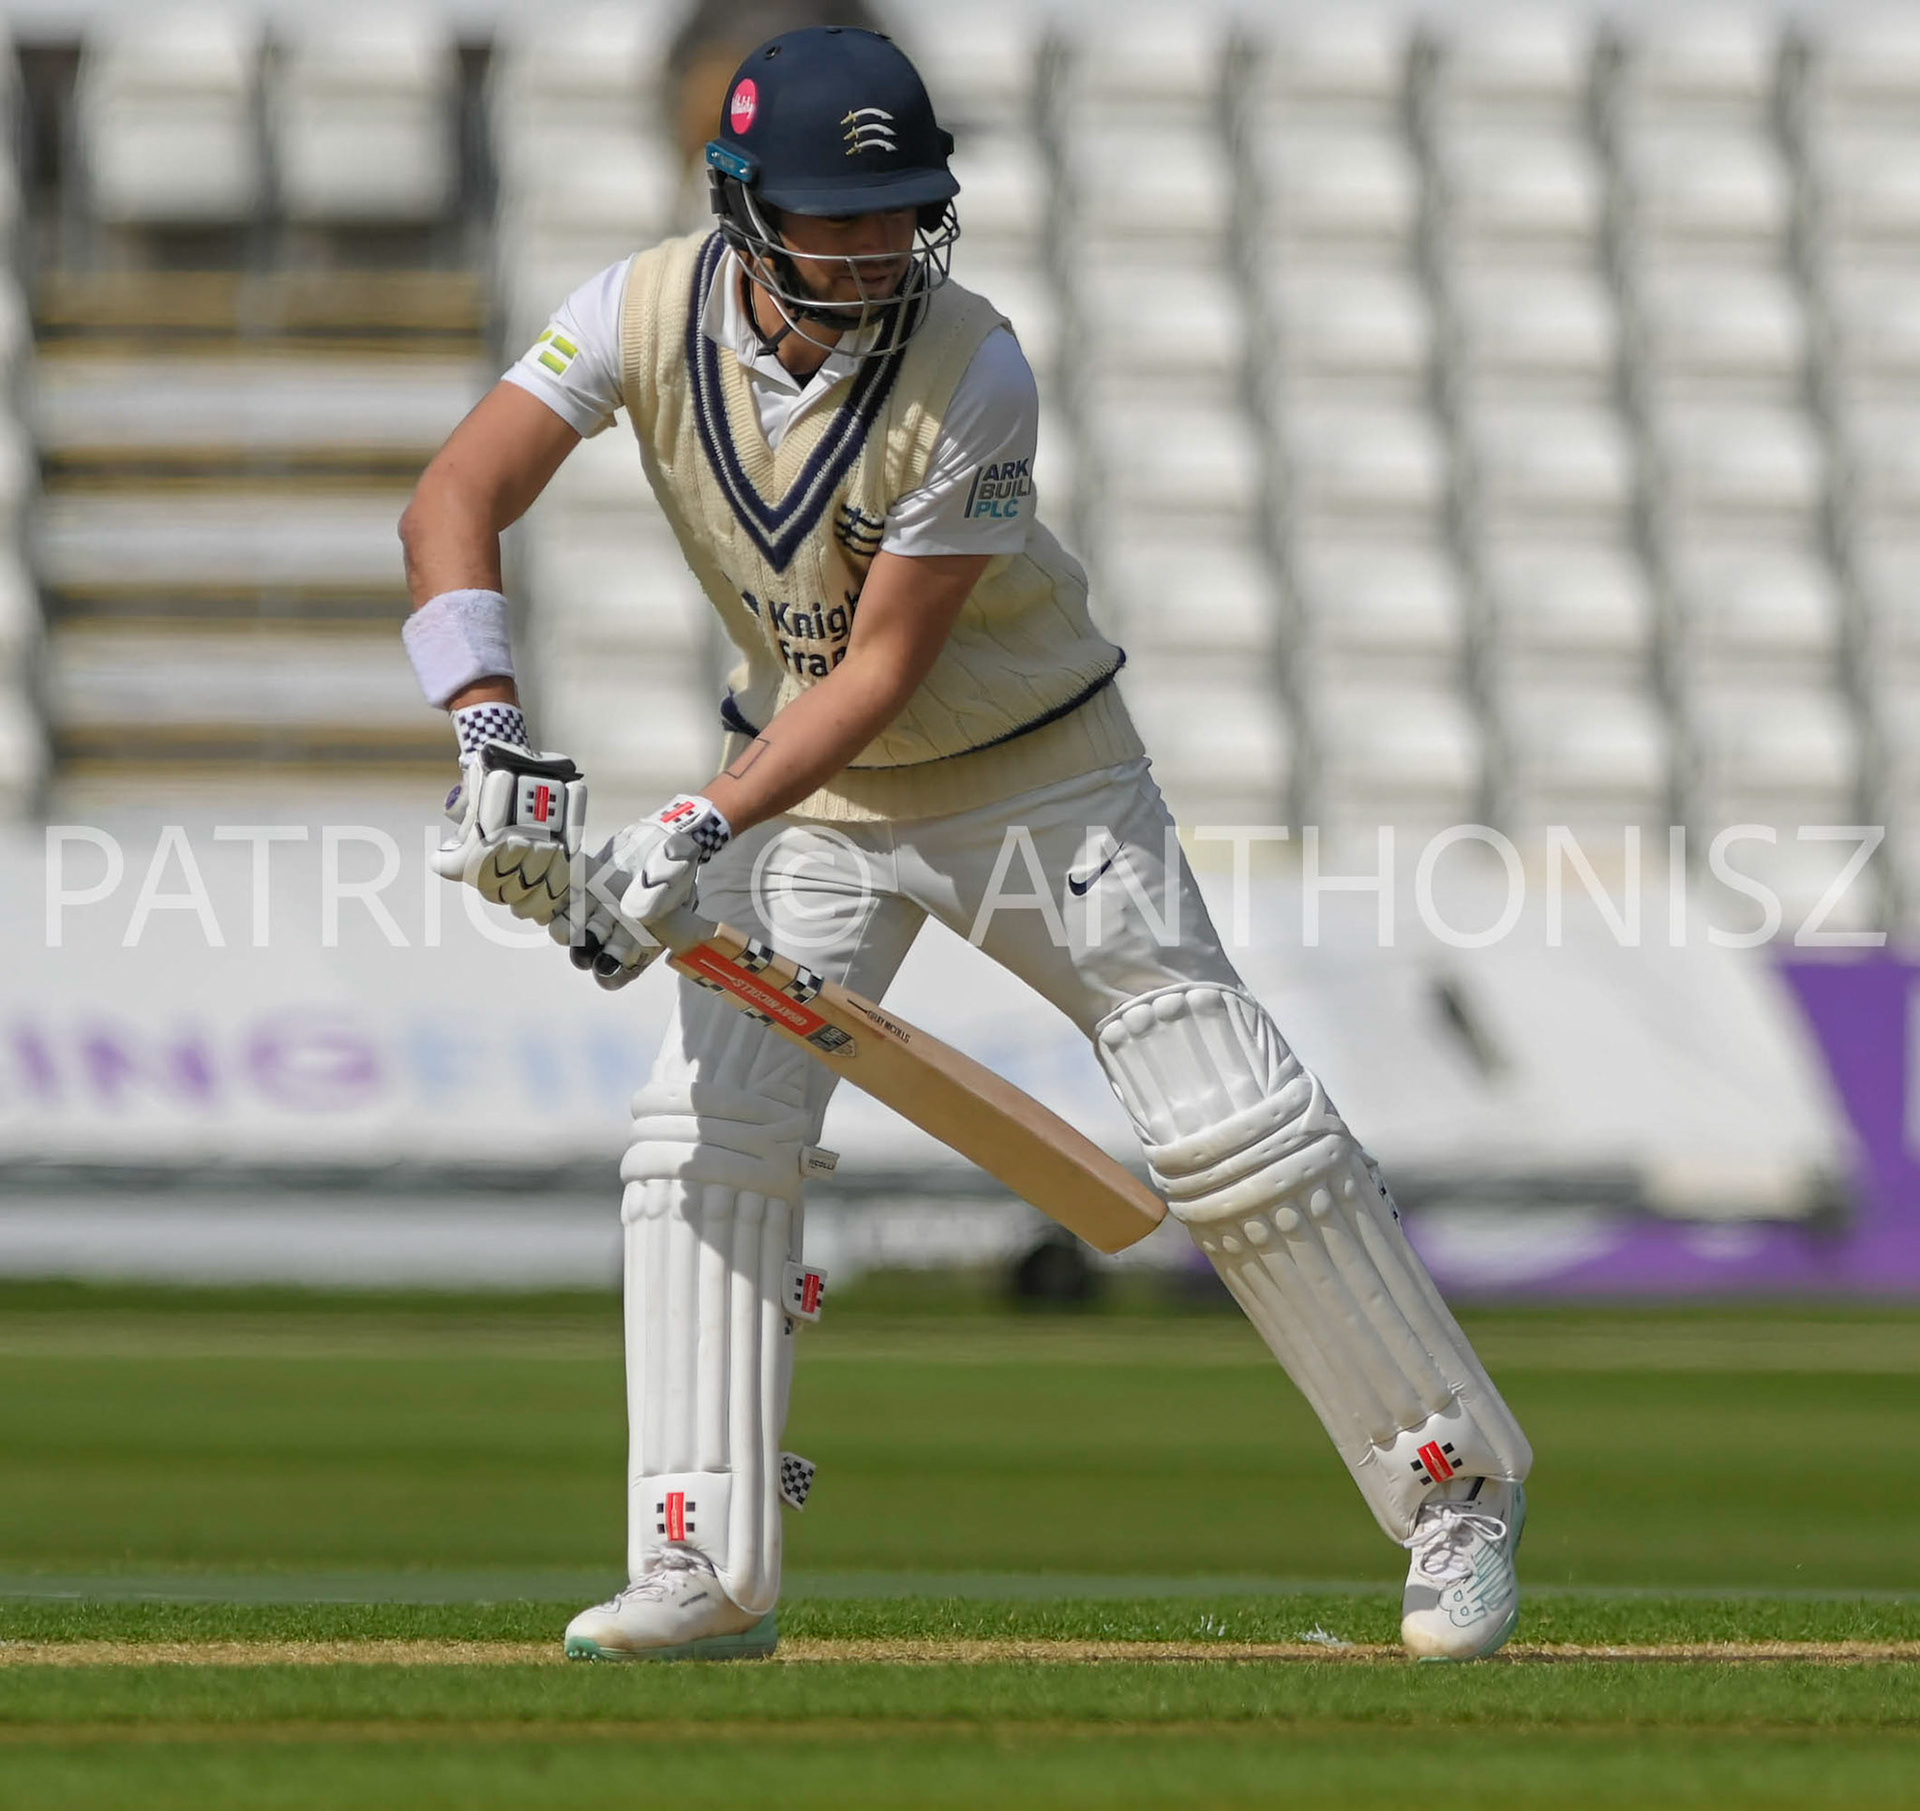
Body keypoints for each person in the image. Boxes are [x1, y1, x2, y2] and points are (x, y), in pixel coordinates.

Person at [398, 25, 1532, 1664]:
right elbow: (455, 493)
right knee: (707, 1134)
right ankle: (702, 1561)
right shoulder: (633, 311)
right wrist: (490, 731)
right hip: (813, 801)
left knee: (1228, 1124)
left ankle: (1456, 1498)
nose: (874, 246)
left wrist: (698, 822)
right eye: (834, 215)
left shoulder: (976, 369)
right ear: (743, 205)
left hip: (1035, 781)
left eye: (897, 210)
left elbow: (881, 669)